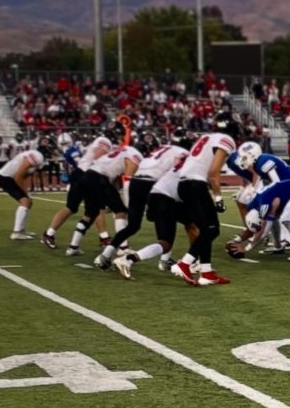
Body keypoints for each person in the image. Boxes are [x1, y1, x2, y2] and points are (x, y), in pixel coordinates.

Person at [94, 132, 190, 272]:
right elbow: (176, 173)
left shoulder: (163, 148)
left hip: (136, 182)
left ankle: (104, 256)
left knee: (133, 226)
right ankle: (164, 260)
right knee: (168, 219)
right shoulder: (182, 153)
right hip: (153, 184)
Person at [174, 112, 239, 286]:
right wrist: (218, 198)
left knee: (206, 228)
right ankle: (185, 263)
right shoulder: (226, 139)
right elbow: (213, 173)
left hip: (185, 184)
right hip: (195, 185)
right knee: (212, 229)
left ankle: (207, 272)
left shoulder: (208, 137)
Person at [67, 144, 142, 257]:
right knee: (121, 212)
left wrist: (111, 199)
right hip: (99, 179)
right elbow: (127, 183)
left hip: (87, 176)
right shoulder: (136, 156)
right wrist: (127, 204)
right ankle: (123, 247)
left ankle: (73, 247)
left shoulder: (122, 149)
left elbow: (114, 180)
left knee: (91, 213)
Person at [42, 131, 114, 249]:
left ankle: (49, 235)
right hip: (85, 175)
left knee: (80, 208)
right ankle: (103, 238)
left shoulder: (82, 148)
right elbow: (95, 157)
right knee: (91, 207)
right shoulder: (102, 143)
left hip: (82, 175)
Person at [0, 142, 47, 240]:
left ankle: (22, 230)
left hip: (9, 177)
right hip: (6, 177)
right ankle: (16, 233)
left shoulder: (34, 157)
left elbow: (23, 176)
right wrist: (26, 193)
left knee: (28, 203)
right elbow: (18, 177)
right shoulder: (37, 157)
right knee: (25, 201)